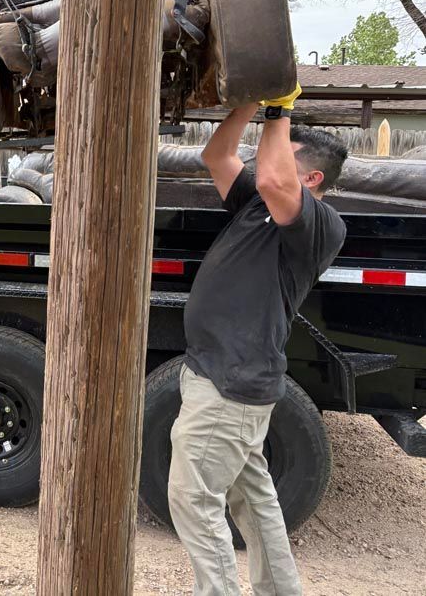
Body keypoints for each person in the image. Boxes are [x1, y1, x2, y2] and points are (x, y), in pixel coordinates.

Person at [168, 85, 348, 595]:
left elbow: (272, 175)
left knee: (194, 500)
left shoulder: (319, 225)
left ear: (309, 178)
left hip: (231, 383)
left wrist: (280, 110)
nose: (262, 155)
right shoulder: (258, 206)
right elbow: (217, 154)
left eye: (283, 152)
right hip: (220, 374)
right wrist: (250, 99)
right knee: (256, 503)